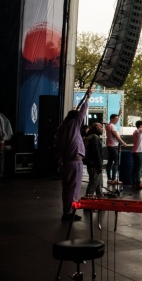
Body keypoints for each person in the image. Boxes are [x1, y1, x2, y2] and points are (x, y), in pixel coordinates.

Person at [55, 86, 92, 221]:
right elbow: (81, 113)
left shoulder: (61, 130)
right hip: (74, 161)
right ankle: (69, 212)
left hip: (66, 162)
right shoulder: (72, 126)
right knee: (73, 187)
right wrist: (88, 98)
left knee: (67, 188)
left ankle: (67, 211)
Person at [105, 113, 128, 185]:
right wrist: (124, 143)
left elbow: (113, 120)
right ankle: (114, 179)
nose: (117, 120)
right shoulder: (113, 127)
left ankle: (109, 179)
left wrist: (119, 114)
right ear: (112, 119)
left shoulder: (107, 125)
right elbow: (117, 137)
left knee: (110, 162)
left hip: (109, 145)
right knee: (116, 162)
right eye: (116, 119)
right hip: (114, 146)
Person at [84, 122, 104, 196]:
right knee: (93, 183)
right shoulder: (95, 138)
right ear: (96, 128)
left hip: (92, 163)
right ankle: (88, 200)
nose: (102, 129)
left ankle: (100, 197)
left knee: (98, 183)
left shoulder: (90, 136)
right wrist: (99, 165)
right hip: (94, 164)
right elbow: (96, 152)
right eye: (101, 127)